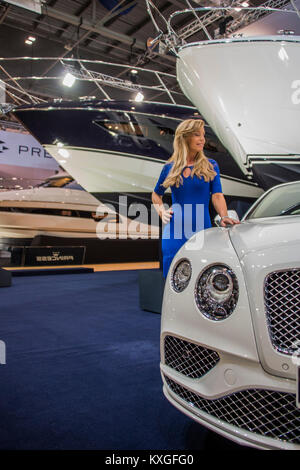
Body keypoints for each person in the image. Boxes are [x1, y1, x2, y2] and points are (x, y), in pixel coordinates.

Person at [152, 118, 240, 278]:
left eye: (203, 135)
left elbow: (217, 195)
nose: (202, 139)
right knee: (173, 277)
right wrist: (161, 212)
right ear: (185, 137)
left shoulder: (210, 165)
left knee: (200, 277)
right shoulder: (170, 168)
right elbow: (156, 194)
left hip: (201, 229)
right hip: (174, 231)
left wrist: (224, 216)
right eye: (197, 135)